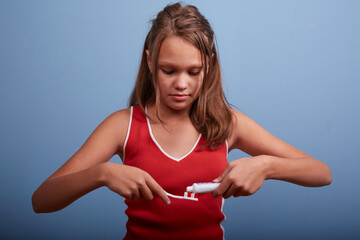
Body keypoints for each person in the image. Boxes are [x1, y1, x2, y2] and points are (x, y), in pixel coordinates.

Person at [32, 2, 332, 240]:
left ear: (209, 66)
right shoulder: (122, 126)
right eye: (169, 70)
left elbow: (321, 173)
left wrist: (266, 166)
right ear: (149, 62)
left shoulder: (229, 124)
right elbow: (41, 200)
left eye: (193, 71)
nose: (182, 84)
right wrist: (103, 174)